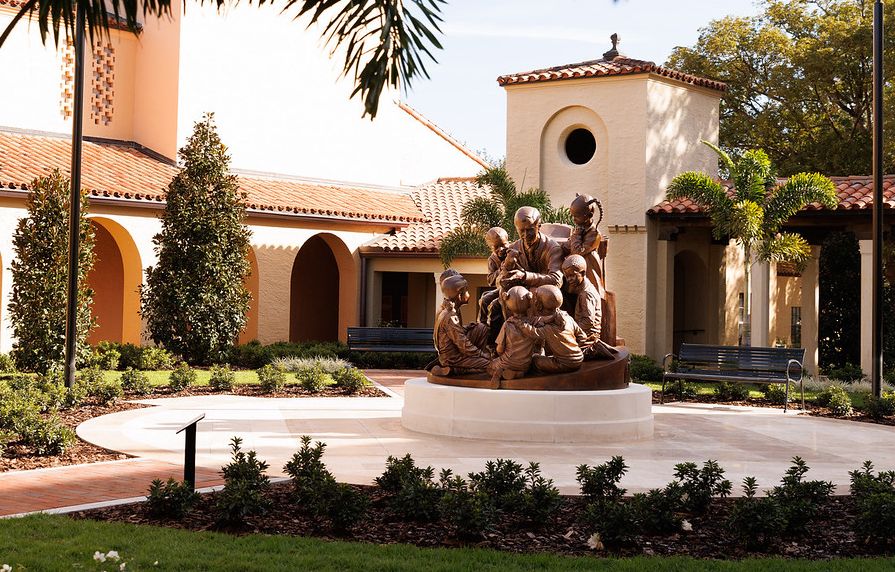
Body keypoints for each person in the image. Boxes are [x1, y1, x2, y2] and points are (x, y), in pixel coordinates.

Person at [512, 285, 586, 374]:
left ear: (539, 305)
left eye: (535, 299)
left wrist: (519, 323)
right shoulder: (567, 317)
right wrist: (572, 350)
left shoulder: (549, 328)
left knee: (534, 360)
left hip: (565, 364)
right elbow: (583, 337)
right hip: (579, 358)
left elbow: (532, 332)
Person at [431, 273, 490, 376]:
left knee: (481, 328)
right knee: (490, 365)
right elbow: (462, 343)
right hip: (453, 359)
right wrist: (482, 355)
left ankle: (473, 360)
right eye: (466, 291)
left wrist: (467, 327)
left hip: (456, 351)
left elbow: (453, 334)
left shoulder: (452, 309)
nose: (468, 294)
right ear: (459, 295)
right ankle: (454, 370)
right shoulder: (450, 315)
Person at [562, 255, 617, 359]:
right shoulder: (582, 288)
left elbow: (587, 322)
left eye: (572, 276)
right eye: (566, 276)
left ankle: (594, 351)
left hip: (587, 341)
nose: (569, 279)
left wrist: (569, 331)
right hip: (583, 335)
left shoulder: (586, 294)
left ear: (582, 273)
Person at [500, 206, 565, 291]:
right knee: (487, 299)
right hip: (520, 293)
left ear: (539, 226)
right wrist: (507, 267)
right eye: (521, 231)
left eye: (530, 230)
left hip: (544, 294)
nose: (526, 235)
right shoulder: (513, 248)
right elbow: (501, 280)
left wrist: (525, 276)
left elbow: (556, 281)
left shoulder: (552, 248)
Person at [488, 285, 537, 383]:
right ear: (529, 303)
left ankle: (504, 372)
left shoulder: (508, 324)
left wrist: (501, 356)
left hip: (508, 361)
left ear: (507, 305)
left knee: (490, 367)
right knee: (527, 367)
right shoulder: (534, 323)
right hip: (526, 363)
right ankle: (518, 373)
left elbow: (499, 349)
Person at [567, 193, 605, 297]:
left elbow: (576, 251)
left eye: (577, 217)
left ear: (589, 215)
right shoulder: (581, 230)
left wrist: (576, 234)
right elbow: (568, 245)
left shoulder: (594, 234)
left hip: (588, 272)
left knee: (587, 298)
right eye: (573, 216)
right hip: (577, 273)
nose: (574, 219)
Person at [477, 227, 511, 324]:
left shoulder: (513, 252)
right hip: (501, 288)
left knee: (494, 305)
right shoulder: (492, 259)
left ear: (508, 242)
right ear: (491, 247)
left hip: (513, 287)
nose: (501, 249)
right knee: (484, 300)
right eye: (496, 247)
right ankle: (482, 326)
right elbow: (490, 281)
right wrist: (501, 269)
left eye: (503, 245)